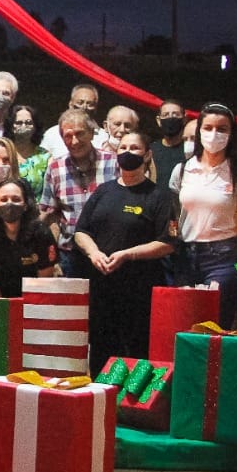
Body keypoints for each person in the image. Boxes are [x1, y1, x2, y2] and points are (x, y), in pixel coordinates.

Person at [75, 132, 177, 375]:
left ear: (147, 155)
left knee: (136, 351)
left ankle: (132, 399)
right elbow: (80, 231)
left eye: (135, 148)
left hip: (140, 291)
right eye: (123, 147)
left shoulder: (160, 196)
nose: (127, 152)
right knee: (101, 349)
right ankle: (102, 393)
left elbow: (168, 243)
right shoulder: (103, 191)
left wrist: (127, 254)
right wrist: (93, 253)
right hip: (102, 288)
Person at [170, 102, 237, 328]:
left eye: (221, 129)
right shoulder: (182, 170)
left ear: (231, 134)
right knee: (184, 323)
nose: (214, 134)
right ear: (199, 131)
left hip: (223, 257)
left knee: (215, 323)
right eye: (208, 128)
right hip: (186, 256)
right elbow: (175, 215)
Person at [38, 108, 118, 278]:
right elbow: (48, 215)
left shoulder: (114, 163)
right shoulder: (55, 169)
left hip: (109, 255)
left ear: (92, 133)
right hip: (70, 256)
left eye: (80, 133)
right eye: (68, 136)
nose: (74, 141)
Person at [0, 178, 57, 297]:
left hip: (33, 298)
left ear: (25, 205)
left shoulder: (41, 233)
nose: (9, 204)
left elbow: (44, 280)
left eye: (16, 199)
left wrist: (27, 305)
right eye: (3, 199)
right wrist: (3, 306)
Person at [40, 84, 108, 159]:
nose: (84, 107)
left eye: (90, 104)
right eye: (80, 102)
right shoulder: (52, 134)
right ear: (70, 104)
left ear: (96, 108)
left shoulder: (104, 137)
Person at [9, 104, 51, 200]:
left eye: (28, 123)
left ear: (35, 126)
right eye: (19, 123)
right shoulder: (3, 153)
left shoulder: (45, 157)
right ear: (10, 126)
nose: (24, 126)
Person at [151, 98, 187, 187]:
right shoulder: (151, 150)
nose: (170, 118)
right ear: (159, 120)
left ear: (184, 119)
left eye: (176, 114)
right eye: (166, 115)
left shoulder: (190, 149)